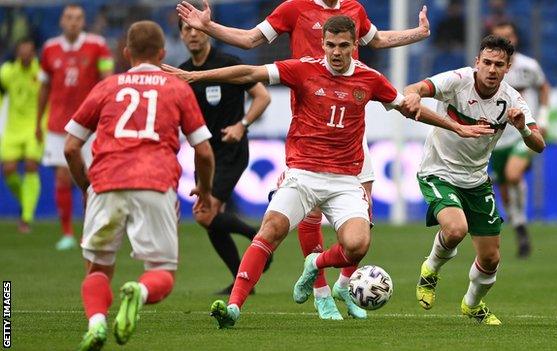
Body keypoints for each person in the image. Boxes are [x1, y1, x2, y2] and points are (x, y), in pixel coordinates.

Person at [164, 15, 493, 329]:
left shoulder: (370, 79)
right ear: (322, 43)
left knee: (358, 245)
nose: (336, 52)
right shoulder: (302, 70)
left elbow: (411, 110)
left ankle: (316, 264)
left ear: (353, 46)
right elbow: (250, 73)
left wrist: (456, 127)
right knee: (272, 229)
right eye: (331, 45)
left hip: (345, 180)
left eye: (343, 46)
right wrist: (196, 77)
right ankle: (234, 306)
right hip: (303, 173)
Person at [65, 21, 215, 351]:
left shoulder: (107, 87)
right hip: (154, 181)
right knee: (161, 272)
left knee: (98, 266)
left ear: (126, 53)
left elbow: (71, 146)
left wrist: (87, 188)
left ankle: (97, 323)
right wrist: (204, 191)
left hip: (107, 182)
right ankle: (140, 292)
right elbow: (203, 151)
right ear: (163, 54)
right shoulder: (177, 88)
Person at [404, 34, 546, 325]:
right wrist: (418, 96)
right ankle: (430, 270)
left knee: (491, 258)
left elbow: (539, 144)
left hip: (476, 180)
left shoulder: (511, 100)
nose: (492, 70)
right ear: (476, 63)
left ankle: (472, 304)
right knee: (455, 229)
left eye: (499, 65)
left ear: (508, 68)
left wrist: (522, 129)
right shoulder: (456, 81)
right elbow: (413, 89)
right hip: (438, 171)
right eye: (487, 63)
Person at [178, 19, 272, 294]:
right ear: (181, 36)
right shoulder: (183, 73)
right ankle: (243, 279)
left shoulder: (228, 63)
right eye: (187, 29)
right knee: (210, 220)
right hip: (203, 155)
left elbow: (262, 97)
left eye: (197, 29)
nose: (193, 34)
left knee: (204, 215)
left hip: (231, 152)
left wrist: (241, 125)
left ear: (207, 31)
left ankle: (258, 239)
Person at [36, 3, 114, 250]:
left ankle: (90, 229)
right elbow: (44, 86)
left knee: (90, 179)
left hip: (89, 124)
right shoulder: (50, 49)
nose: (73, 22)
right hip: (58, 124)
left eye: (78, 18)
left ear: (83, 22)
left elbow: (108, 80)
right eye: (69, 18)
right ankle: (67, 233)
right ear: (61, 21)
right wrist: (38, 120)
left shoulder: (97, 45)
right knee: (62, 176)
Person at [490, 21, 551, 258]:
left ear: (515, 38)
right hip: (497, 138)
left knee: (514, 175)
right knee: (504, 187)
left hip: (523, 133)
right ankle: (520, 228)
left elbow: (544, 88)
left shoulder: (528, 66)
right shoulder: (490, 70)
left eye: (509, 35)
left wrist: (542, 120)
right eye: (500, 36)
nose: (507, 40)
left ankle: (521, 222)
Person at [0, 38, 42, 233]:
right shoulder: (7, 72)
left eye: (29, 51)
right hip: (13, 129)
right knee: (8, 170)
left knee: (31, 165)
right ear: (17, 53)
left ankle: (26, 218)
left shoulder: (41, 74)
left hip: (35, 126)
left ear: (33, 53)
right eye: (22, 51)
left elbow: (49, 97)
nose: (25, 54)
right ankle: (26, 201)